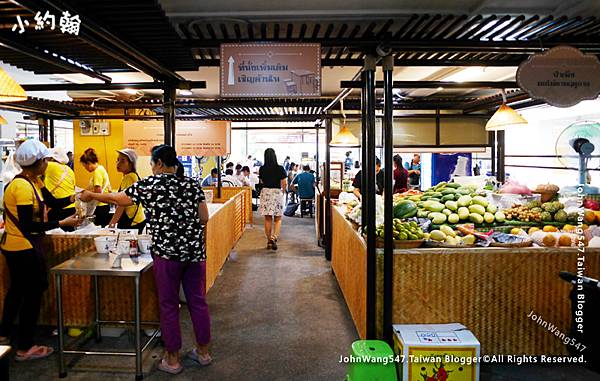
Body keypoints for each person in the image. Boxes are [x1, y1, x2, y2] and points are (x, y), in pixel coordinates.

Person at [79, 145, 211, 374]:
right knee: (198, 302)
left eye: (151, 163)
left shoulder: (150, 185)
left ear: (159, 163)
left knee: (169, 305)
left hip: (167, 256)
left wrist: (91, 195)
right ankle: (203, 353)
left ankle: (172, 360)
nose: (151, 168)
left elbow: (118, 199)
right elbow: (204, 217)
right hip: (194, 254)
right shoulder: (191, 184)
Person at [0, 140, 82, 361]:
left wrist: (78, 197)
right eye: (45, 160)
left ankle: (4, 334)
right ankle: (25, 347)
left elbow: (53, 202)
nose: (48, 163)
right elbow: (28, 226)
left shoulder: (34, 181)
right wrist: (62, 223)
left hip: (17, 246)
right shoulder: (22, 187)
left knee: (16, 291)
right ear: (37, 162)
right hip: (22, 248)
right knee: (31, 296)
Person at [108, 149, 146, 233]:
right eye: (118, 160)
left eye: (123, 161)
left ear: (131, 164)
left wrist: (112, 223)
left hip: (132, 221)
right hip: (138, 219)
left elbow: (122, 204)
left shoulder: (129, 177)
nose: (118, 163)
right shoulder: (133, 176)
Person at [258, 148, 287, 251]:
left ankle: (269, 240)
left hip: (266, 192)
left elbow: (261, 181)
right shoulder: (280, 168)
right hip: (276, 192)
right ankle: (274, 237)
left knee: (268, 218)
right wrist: (282, 191)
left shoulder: (262, 168)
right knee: (278, 218)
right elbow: (284, 182)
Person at [44, 147, 77, 230]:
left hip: (58, 207)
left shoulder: (51, 166)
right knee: (68, 237)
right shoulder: (69, 170)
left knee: (56, 236)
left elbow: (35, 167)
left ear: (53, 158)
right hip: (71, 206)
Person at [79, 148, 112, 227]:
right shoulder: (101, 169)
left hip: (100, 207)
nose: (85, 168)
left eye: (85, 166)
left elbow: (98, 192)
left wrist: (86, 194)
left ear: (89, 163)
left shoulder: (97, 172)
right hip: (104, 206)